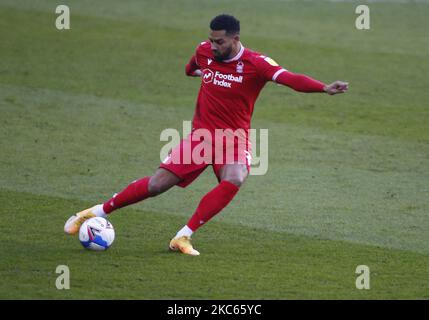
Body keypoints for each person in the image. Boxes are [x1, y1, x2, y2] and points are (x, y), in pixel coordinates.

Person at [64, 14, 348, 256]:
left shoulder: (256, 63)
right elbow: (191, 69)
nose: (213, 46)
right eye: (211, 40)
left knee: (235, 178)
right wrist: (204, 74)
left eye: (219, 42)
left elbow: (289, 78)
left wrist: (323, 87)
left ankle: (183, 236)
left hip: (234, 140)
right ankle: (96, 212)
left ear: (235, 38)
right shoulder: (204, 52)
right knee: (156, 185)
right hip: (201, 137)